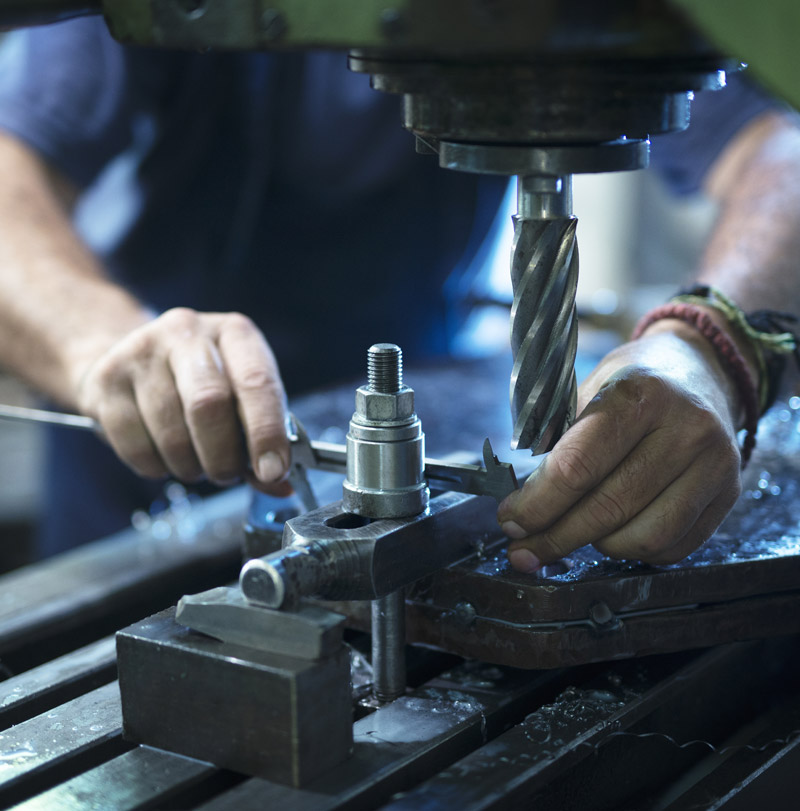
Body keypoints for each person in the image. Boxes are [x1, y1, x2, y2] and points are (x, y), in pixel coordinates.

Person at [0, 18, 796, 568]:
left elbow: (782, 155)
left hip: (430, 470)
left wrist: (706, 346)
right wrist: (102, 344)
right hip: (156, 508)